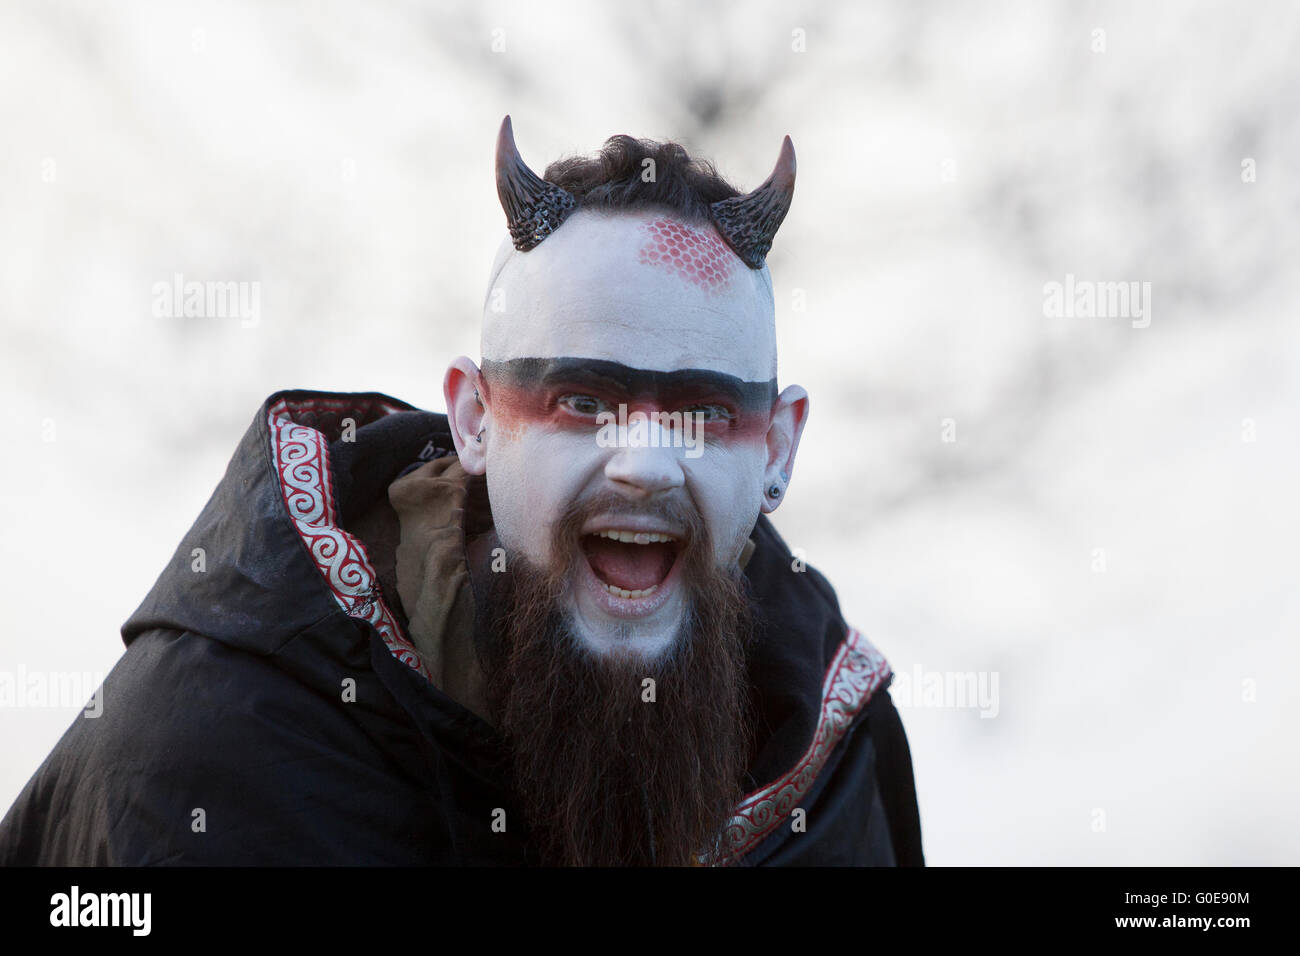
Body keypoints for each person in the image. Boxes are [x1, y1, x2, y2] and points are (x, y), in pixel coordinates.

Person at [0, 116, 923, 866]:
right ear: (476, 419)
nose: (643, 462)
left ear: (780, 446)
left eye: (704, 415)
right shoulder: (217, 748)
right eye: (582, 400)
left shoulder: (839, 769)